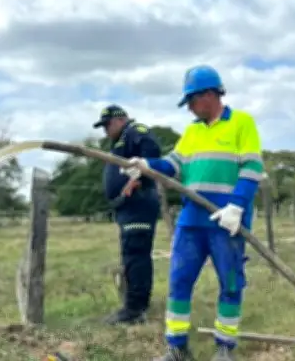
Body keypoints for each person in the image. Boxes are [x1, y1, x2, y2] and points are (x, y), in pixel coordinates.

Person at [120, 65, 263, 361]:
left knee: (231, 284)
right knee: (179, 282)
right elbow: (173, 165)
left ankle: (225, 349)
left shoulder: (241, 123)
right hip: (191, 221)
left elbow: (252, 167)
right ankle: (177, 349)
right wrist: (144, 165)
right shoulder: (192, 132)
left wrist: (236, 207)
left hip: (227, 222)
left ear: (209, 95)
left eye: (191, 102)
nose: (189, 110)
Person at [92, 104, 163, 325]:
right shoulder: (119, 141)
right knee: (131, 255)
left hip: (139, 202)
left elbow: (152, 155)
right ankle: (134, 303)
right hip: (128, 207)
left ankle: (135, 309)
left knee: (136, 255)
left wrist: (137, 179)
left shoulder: (135, 131)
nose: (105, 130)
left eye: (107, 125)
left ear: (120, 120)